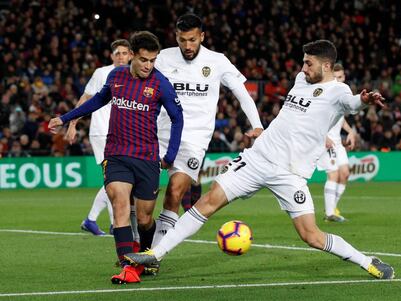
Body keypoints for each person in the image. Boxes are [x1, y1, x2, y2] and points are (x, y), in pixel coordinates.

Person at [124, 40, 394, 280]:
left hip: (289, 173)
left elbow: (353, 102)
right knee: (207, 201)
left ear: (326, 65)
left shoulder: (338, 91)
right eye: (303, 62)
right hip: (257, 159)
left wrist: (365, 99)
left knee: (311, 235)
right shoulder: (301, 81)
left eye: (308, 63)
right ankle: (155, 253)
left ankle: (368, 262)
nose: (302, 68)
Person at [48, 31, 184, 284]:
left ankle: (145, 254)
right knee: (120, 206)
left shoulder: (160, 83)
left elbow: (178, 117)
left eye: (153, 60)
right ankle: (128, 268)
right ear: (131, 55)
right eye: (144, 59)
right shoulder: (116, 76)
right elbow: (98, 100)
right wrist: (66, 118)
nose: (148, 65)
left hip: (146, 157)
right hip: (117, 154)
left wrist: (171, 154)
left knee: (144, 220)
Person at [150, 13, 263, 255]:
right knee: (144, 198)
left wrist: (257, 125)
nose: (187, 46)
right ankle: (141, 241)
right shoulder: (163, 58)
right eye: (182, 40)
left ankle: (153, 256)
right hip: (160, 134)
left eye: (192, 40)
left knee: (175, 192)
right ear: (176, 37)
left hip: (194, 139)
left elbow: (242, 94)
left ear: (202, 36)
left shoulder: (218, 61)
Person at [64, 39, 133, 236]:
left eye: (124, 53)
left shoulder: (133, 75)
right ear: (112, 56)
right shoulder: (102, 73)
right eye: (117, 53)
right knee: (114, 178)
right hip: (102, 132)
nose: (121, 57)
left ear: (131, 55)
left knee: (115, 179)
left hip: (122, 134)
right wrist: (72, 124)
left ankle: (98, 221)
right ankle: (103, 222)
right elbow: (85, 99)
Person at [317, 63, 356, 222]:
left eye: (341, 77)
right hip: (325, 141)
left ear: (344, 77)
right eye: (336, 77)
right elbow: (316, 117)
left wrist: (350, 131)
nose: (339, 80)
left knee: (345, 173)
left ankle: (331, 210)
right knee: (333, 175)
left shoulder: (342, 93)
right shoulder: (326, 93)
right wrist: (323, 136)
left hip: (338, 142)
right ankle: (330, 213)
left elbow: (340, 117)